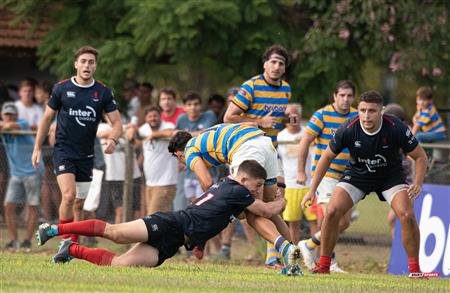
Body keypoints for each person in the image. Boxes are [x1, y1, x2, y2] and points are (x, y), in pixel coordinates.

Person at [37, 160, 303, 276]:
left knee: (119, 265)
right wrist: (281, 198)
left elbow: (236, 217)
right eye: (256, 186)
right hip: (170, 223)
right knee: (114, 232)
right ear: (244, 180)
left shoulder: (233, 191)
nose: (258, 192)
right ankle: (54, 230)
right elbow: (267, 212)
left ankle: (71, 249)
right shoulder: (237, 190)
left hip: (175, 241)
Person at [301, 90, 427, 276]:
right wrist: (312, 190)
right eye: (362, 110)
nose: (366, 116)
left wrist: (417, 182)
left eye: (372, 111)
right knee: (332, 211)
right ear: (358, 110)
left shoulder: (395, 127)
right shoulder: (349, 128)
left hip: (390, 177)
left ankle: (415, 271)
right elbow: (325, 157)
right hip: (358, 175)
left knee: (407, 215)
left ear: (381, 111)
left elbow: (421, 157)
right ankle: (324, 265)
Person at [31, 46, 122, 252]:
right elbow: (46, 118)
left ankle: (73, 246)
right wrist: (37, 147)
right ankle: (65, 242)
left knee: (79, 203)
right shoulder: (61, 88)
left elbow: (117, 123)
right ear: (76, 64)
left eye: (91, 62)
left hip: (86, 154)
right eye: (83, 61)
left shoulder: (103, 92)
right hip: (63, 151)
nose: (87, 65)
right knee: (69, 196)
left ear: (95, 66)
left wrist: (114, 140)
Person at [168, 123, 291, 254]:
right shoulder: (203, 138)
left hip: (246, 148)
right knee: (269, 208)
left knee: (253, 213)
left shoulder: (189, 150)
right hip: (265, 143)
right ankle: (291, 256)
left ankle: (286, 251)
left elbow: (207, 182)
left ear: (179, 155)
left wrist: (212, 204)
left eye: (179, 159)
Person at [223, 44, 295, 268]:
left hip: (271, 152)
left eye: (281, 63)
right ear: (265, 64)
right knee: (249, 207)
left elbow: (274, 120)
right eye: (272, 62)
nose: (276, 66)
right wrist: (259, 123)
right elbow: (229, 117)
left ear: (284, 68)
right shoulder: (251, 86)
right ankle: (211, 243)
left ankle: (274, 257)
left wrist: (285, 122)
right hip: (248, 151)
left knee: (274, 202)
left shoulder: (286, 90)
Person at [297, 80, 357, 272]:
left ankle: (310, 244)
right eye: (342, 95)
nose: (345, 99)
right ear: (334, 96)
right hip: (326, 175)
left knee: (344, 222)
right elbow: (305, 141)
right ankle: (328, 260)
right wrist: (300, 171)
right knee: (330, 215)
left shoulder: (357, 116)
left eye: (349, 96)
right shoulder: (322, 115)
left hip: (349, 176)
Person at [1, 102, 43, 252]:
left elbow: (10, 126)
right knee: (8, 206)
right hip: (16, 174)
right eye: (6, 114)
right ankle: (14, 241)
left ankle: (27, 241)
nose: (9, 117)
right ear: (2, 115)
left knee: (32, 206)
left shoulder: (22, 123)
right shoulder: (3, 130)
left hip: (33, 171)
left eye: (11, 114)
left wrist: (5, 124)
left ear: (16, 116)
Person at [277, 104, 318, 245]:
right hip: (290, 185)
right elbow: (279, 161)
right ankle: (293, 252)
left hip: (310, 185)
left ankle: (315, 255)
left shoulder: (308, 134)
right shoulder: (280, 136)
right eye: (288, 115)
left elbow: (314, 157)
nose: (291, 118)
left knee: (315, 221)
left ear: (299, 116)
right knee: (293, 222)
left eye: (294, 115)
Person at [97, 116, 142, 223]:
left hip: (133, 175)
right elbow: (101, 134)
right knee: (120, 210)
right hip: (114, 176)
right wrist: (125, 132)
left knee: (135, 211)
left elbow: (135, 138)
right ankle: (119, 238)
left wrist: (130, 129)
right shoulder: (102, 127)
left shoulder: (126, 126)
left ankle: (136, 238)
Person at [134, 106, 178, 214]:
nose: (153, 118)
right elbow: (135, 137)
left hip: (166, 183)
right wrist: (132, 129)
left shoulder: (167, 125)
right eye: (150, 116)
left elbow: (171, 133)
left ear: (160, 116)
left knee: (154, 217)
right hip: (150, 184)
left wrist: (154, 135)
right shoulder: (144, 129)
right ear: (146, 118)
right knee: (158, 220)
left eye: (155, 116)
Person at [175, 91, 216, 206]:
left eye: (196, 104)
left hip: (208, 169)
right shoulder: (181, 119)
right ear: (184, 107)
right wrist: (179, 159)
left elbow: (207, 132)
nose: (193, 107)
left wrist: (185, 134)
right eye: (189, 104)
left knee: (206, 202)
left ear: (201, 105)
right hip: (188, 171)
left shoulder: (209, 115)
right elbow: (176, 139)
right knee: (192, 204)